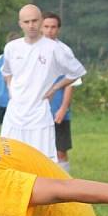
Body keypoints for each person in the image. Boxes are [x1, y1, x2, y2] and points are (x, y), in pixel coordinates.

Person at [1, 4, 87, 162]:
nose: (31, 25)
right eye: (26, 22)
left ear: (40, 21)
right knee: (10, 159)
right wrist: (13, 91)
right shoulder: (12, 48)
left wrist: (55, 87)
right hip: (14, 116)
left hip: (39, 115)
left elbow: (77, 71)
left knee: (42, 161)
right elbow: (7, 72)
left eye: (34, 21)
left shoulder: (54, 48)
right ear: (20, 24)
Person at [41, 12, 79, 173]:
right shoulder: (32, 48)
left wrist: (63, 107)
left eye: (53, 27)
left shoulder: (64, 50)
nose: (50, 30)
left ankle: (65, 186)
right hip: (37, 111)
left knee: (60, 151)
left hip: (57, 110)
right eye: (46, 26)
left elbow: (72, 82)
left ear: (58, 29)